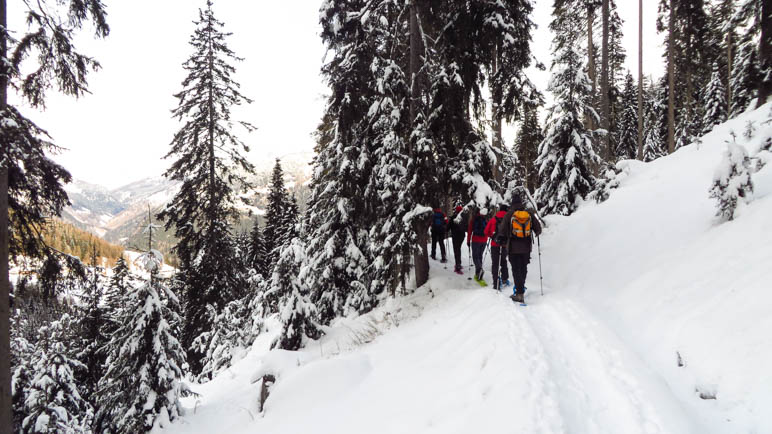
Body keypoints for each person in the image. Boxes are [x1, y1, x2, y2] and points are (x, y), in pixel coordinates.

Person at [496, 194, 541, 303]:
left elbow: (502, 231)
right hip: (526, 247)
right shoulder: (529, 214)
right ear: (521, 203)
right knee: (523, 267)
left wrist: (500, 239)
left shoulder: (509, 214)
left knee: (516, 269)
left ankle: (519, 293)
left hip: (513, 248)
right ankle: (521, 286)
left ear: (512, 203)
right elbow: (538, 229)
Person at [485, 203, 510, 290]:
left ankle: (496, 282)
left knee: (495, 263)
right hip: (504, 245)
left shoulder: (493, 219)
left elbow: (486, 231)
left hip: (494, 245)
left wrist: (492, 236)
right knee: (503, 261)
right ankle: (505, 279)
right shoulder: (508, 219)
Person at [466, 208, 489, 285]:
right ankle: (477, 273)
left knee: (475, 257)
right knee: (479, 256)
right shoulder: (485, 219)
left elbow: (470, 231)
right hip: (484, 240)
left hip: (476, 240)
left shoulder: (474, 219)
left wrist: (468, 241)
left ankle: (479, 270)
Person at [448, 205, 467, 275]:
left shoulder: (454, 217)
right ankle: (459, 264)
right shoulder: (463, 217)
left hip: (455, 236)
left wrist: (446, 229)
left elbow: (448, 226)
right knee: (458, 249)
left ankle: (457, 266)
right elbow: (466, 226)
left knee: (456, 250)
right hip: (462, 236)